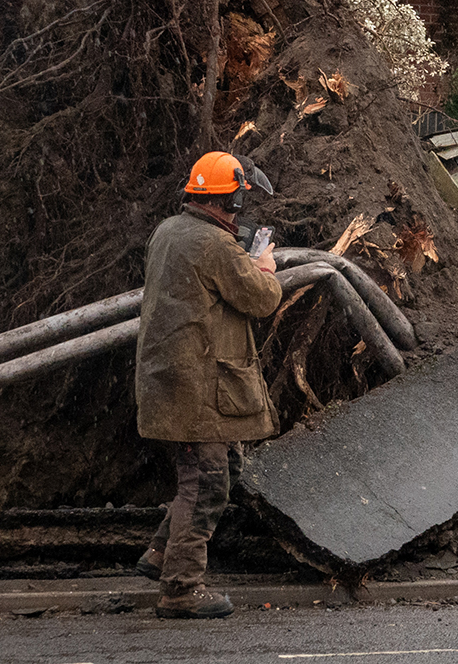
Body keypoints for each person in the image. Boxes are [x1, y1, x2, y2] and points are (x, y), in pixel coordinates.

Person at [133, 150, 283, 619]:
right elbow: (260, 300)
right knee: (207, 484)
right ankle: (180, 588)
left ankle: (161, 552)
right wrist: (264, 268)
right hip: (197, 387)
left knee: (224, 467)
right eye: (240, 199)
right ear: (231, 198)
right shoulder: (215, 246)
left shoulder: (169, 231)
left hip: (170, 381)